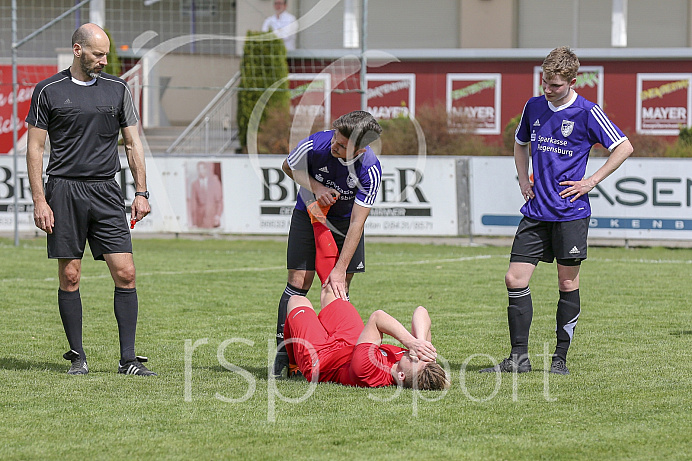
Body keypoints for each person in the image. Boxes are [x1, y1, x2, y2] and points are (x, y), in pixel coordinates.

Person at [480, 46, 634, 375]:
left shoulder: (588, 112)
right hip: (536, 211)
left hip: (570, 213)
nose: (548, 91)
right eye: (545, 84)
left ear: (572, 81)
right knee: (514, 278)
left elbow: (624, 147)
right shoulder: (534, 106)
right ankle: (518, 359)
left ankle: (559, 359)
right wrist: (523, 180)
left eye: (555, 86)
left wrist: (590, 181)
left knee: (566, 284)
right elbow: (521, 144)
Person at [25, 23, 156, 376]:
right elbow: (35, 149)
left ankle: (128, 360)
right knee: (70, 275)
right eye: (98, 53)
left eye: (106, 53)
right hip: (63, 190)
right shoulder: (48, 90)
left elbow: (132, 143)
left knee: (126, 273)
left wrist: (141, 192)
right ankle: (77, 356)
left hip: (106, 191)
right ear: (78, 50)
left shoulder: (118, 89)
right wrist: (40, 200)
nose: (105, 60)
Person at [272, 110, 383, 377]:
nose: (335, 144)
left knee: (337, 287)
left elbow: (357, 223)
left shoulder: (370, 169)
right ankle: (283, 355)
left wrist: (340, 268)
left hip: (345, 223)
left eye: (343, 145)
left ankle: (334, 351)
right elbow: (288, 166)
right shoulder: (315, 144)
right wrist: (316, 188)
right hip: (307, 212)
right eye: (336, 137)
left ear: (361, 148)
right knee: (298, 282)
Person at [284, 284, 449, 390]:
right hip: (352, 344)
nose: (417, 354)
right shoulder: (414, 363)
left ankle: (293, 365)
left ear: (401, 376)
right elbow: (421, 311)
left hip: (320, 357)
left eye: (416, 360)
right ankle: (321, 228)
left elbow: (377, 317)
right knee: (331, 289)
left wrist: (411, 342)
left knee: (297, 300)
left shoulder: (368, 370)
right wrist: (420, 341)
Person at [189, 161, 223, 228]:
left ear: (206, 169)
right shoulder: (194, 184)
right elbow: (193, 203)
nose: (201, 171)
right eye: (199, 169)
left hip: (212, 218)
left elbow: (219, 201)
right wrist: (194, 222)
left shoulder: (214, 182)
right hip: (200, 220)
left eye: (202, 169)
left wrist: (218, 215)